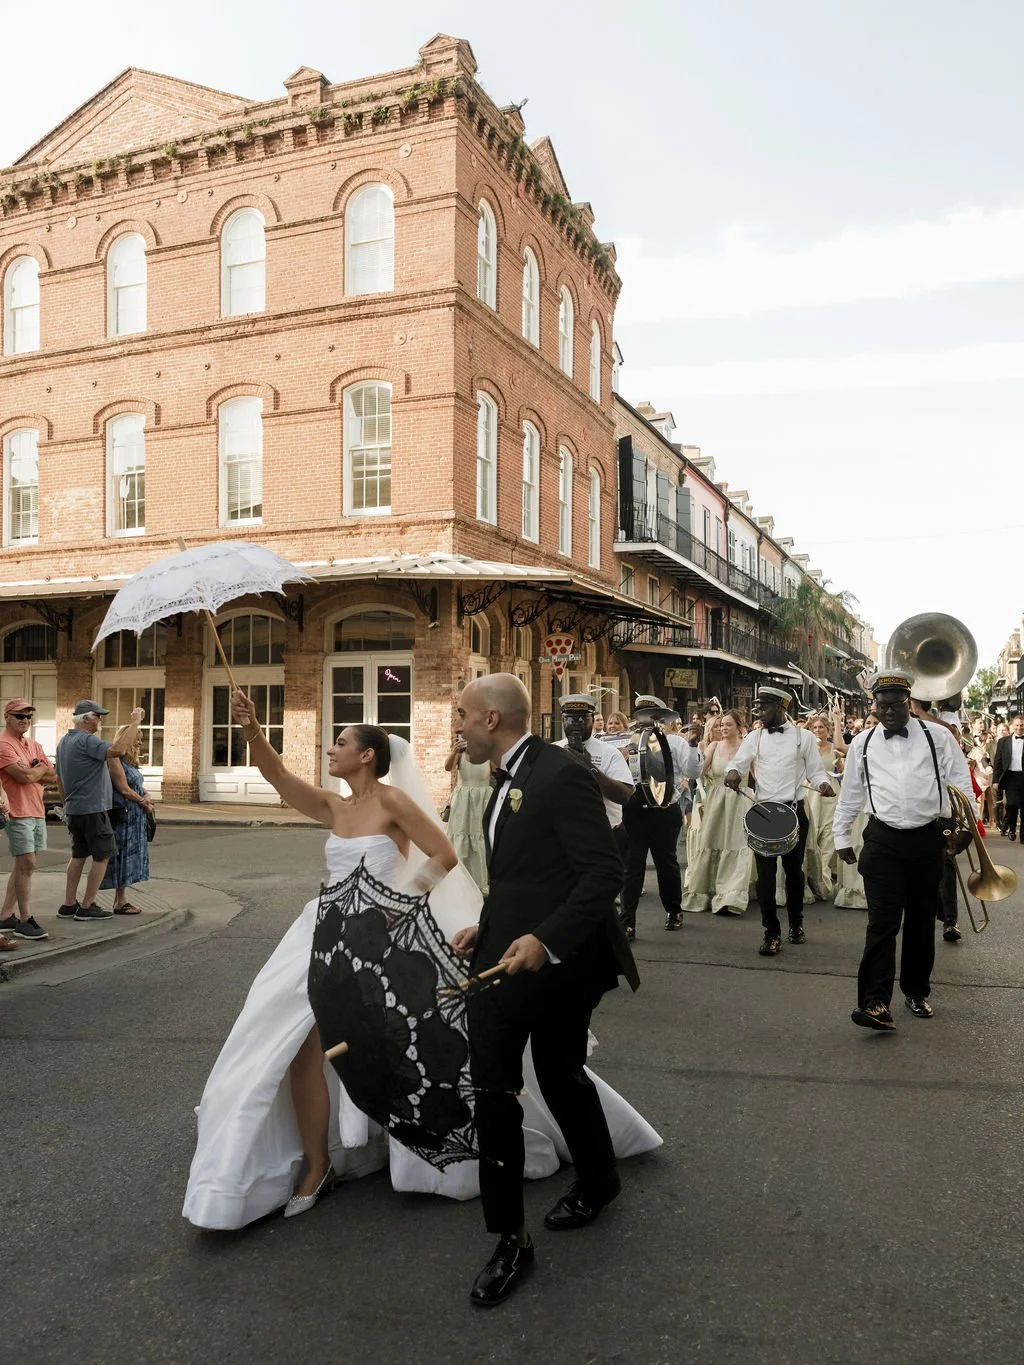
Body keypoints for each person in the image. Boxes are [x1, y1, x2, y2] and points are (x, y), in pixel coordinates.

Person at [183, 690, 659, 1233]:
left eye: (341, 742)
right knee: (291, 1041)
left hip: (382, 937)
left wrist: (402, 905)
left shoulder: (395, 803)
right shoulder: (334, 806)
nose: (331, 749)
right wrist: (249, 729)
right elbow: (278, 778)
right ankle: (316, 1164)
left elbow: (446, 856)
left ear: (368, 755)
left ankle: (444, 1156)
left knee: (408, 1044)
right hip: (322, 934)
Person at [451, 674, 650, 1308]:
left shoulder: (559, 772)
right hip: (511, 952)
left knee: (539, 1077)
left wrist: (545, 940)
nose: (453, 725)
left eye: (461, 714)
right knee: (518, 1082)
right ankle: (548, 1212)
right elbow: (530, 871)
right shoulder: (503, 774)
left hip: (563, 962)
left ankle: (558, 1207)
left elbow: (604, 873)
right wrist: (493, 920)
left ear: (490, 720)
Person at [835, 669, 974, 1031]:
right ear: (874, 706)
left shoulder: (938, 737)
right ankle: (875, 1002)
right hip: (882, 839)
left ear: (908, 702)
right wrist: (840, 837)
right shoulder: (862, 743)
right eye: (883, 705)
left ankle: (916, 990)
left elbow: (961, 783)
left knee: (920, 921)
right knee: (881, 923)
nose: (890, 711)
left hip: (928, 837)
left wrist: (967, 828)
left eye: (897, 703)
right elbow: (851, 792)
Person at [724, 686, 834, 955]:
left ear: (782, 708)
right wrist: (733, 773)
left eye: (765, 706)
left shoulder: (803, 737)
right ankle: (770, 932)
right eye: (757, 706)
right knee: (765, 876)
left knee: (794, 874)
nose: (759, 711)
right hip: (763, 812)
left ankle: (796, 924)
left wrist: (823, 785)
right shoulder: (755, 737)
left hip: (794, 811)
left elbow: (816, 772)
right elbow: (737, 763)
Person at [54, 700, 144, 922]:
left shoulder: (64, 742)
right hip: (93, 808)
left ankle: (68, 904)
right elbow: (118, 750)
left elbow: (59, 779)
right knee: (103, 855)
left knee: (78, 855)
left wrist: (66, 803)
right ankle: (87, 906)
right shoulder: (87, 740)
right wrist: (135, 722)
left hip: (74, 809)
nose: (100, 720)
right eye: (97, 716)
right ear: (85, 719)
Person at [618, 698, 702, 936]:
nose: (648, 721)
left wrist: (694, 744)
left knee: (666, 864)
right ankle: (627, 921)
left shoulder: (674, 742)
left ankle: (674, 910)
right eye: (643, 716)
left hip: (665, 808)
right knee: (631, 867)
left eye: (654, 716)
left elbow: (692, 772)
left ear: (663, 720)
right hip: (635, 810)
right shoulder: (626, 742)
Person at [684, 709, 752, 914]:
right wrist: (692, 746)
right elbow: (697, 771)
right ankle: (707, 891)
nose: (723, 728)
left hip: (741, 800)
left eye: (728, 725)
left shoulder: (747, 747)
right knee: (712, 843)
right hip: (716, 801)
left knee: (738, 845)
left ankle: (732, 895)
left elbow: (759, 774)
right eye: (722, 724)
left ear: (740, 728)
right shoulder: (714, 746)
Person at [0, 698, 57, 941]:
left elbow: (53, 775)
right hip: (17, 810)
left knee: (23, 865)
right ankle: (25, 919)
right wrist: (40, 770)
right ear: (7, 717)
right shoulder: (3, 743)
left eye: (28, 717)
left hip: (36, 809)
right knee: (28, 864)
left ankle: (5, 916)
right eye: (19, 716)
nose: (25, 721)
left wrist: (40, 771)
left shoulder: (33, 744)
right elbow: (22, 776)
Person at [554, 693, 634, 836]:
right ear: (563, 720)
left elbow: (623, 796)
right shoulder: (553, 751)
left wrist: (589, 766)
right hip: (563, 835)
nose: (577, 723)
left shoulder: (609, 753)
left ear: (592, 720)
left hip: (603, 834)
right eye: (570, 718)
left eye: (583, 719)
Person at [99, 728, 155, 913]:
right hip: (123, 815)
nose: (140, 743)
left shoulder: (131, 763)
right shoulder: (114, 759)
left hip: (135, 814)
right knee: (121, 856)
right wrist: (142, 802)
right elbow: (123, 789)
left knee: (130, 857)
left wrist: (145, 795)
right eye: (137, 739)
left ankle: (122, 899)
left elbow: (137, 786)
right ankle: (119, 901)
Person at [803, 708, 847, 901]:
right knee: (811, 837)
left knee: (828, 838)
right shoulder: (807, 749)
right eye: (815, 727)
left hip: (830, 796)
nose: (818, 730)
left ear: (828, 730)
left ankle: (823, 880)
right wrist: (806, 723)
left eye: (822, 727)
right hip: (811, 794)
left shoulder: (834, 750)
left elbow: (842, 771)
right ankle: (810, 880)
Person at [443, 734, 491, 894]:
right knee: (460, 836)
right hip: (463, 800)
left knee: (480, 837)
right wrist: (454, 752)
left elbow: (497, 769)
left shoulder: (488, 752)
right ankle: (458, 881)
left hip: (482, 799)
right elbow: (447, 767)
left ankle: (480, 881)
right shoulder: (461, 752)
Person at [993, 714, 1024, 841]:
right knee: (1011, 805)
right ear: (1012, 726)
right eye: (1017, 725)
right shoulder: (1003, 742)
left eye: (1022, 725)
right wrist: (995, 780)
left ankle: (1023, 835)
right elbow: (998, 762)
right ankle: (1011, 828)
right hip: (1010, 777)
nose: (1019, 728)